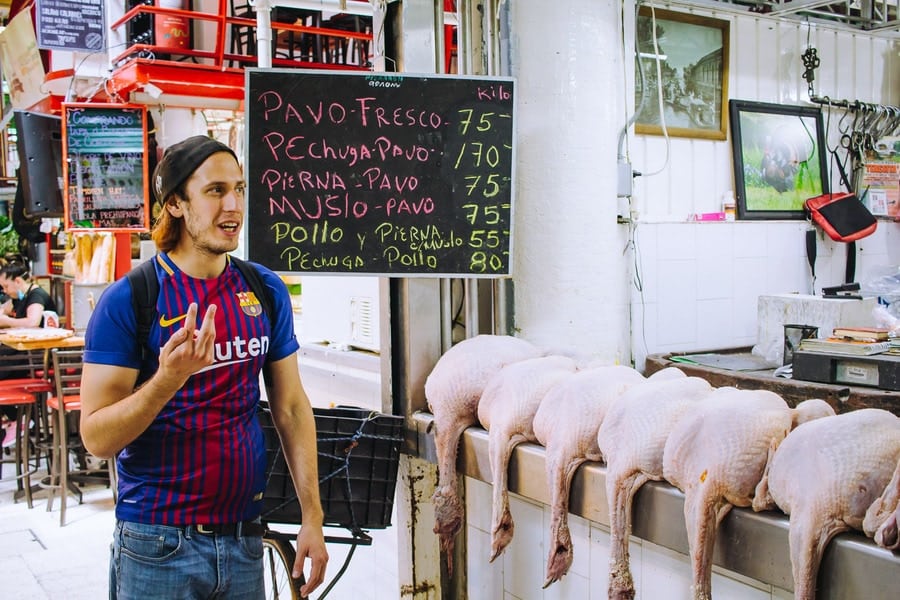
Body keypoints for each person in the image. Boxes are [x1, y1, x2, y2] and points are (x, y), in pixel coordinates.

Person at [80, 135, 329, 599]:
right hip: (157, 544)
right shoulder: (130, 300)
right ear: (175, 203)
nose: (233, 205)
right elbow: (96, 438)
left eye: (239, 188)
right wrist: (169, 378)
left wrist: (312, 516)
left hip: (245, 539)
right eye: (215, 191)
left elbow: (291, 408)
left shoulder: (263, 289)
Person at [0, 257, 58, 446]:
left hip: (34, 358)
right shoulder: (17, 299)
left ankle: (19, 418)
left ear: (17, 281)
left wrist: (7, 322)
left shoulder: (36, 296)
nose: (5, 291)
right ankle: (19, 418)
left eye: (6, 286)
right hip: (22, 355)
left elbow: (32, 322)